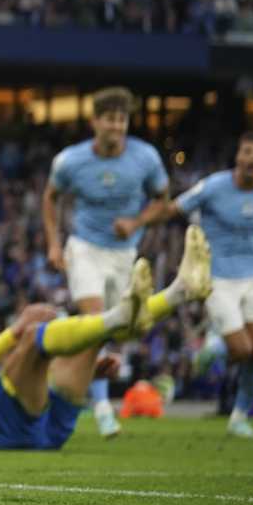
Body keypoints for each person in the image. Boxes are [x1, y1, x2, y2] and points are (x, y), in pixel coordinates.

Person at [0, 226, 211, 449]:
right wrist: (13, 332)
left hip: (41, 428)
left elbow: (1, 380)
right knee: (33, 337)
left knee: (89, 337)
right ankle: (123, 315)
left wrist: (85, 373)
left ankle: (180, 291)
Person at [118, 132, 253, 438]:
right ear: (238, 155)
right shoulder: (213, 187)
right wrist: (136, 222)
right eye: (246, 152)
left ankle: (238, 417)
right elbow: (172, 210)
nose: (251, 158)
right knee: (242, 348)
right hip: (217, 277)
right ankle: (212, 347)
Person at [40, 86, 169, 437]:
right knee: (96, 321)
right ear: (95, 121)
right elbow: (50, 198)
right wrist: (54, 244)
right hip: (84, 247)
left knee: (115, 331)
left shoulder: (146, 158)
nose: (116, 126)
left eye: (122, 120)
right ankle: (101, 409)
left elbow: (163, 200)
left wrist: (136, 222)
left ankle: (69, 377)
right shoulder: (71, 161)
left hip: (124, 254)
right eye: (109, 119)